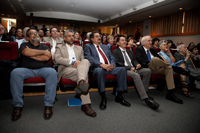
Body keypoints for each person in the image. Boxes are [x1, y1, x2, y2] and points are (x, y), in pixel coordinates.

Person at [10, 28, 57, 121]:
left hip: (43, 69)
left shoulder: (44, 46)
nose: (35, 34)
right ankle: (17, 106)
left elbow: (46, 58)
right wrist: (41, 53)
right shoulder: (24, 45)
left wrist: (31, 54)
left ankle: (48, 105)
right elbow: (26, 52)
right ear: (27, 37)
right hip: (26, 69)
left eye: (36, 33)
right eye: (32, 33)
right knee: (15, 72)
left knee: (53, 72)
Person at [55, 30, 96, 117]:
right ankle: (85, 104)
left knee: (85, 61)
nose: (71, 37)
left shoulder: (79, 48)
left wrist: (78, 63)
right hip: (66, 68)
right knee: (83, 75)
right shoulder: (59, 47)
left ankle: (81, 83)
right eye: (69, 36)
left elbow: (82, 61)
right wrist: (72, 62)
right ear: (64, 38)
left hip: (78, 69)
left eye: (72, 36)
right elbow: (57, 59)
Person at [84, 31, 131, 109]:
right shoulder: (88, 46)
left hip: (110, 67)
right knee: (100, 71)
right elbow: (89, 57)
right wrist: (102, 65)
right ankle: (103, 97)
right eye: (97, 36)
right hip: (98, 68)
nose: (99, 37)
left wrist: (112, 65)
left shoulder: (105, 46)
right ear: (92, 39)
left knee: (122, 69)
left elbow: (112, 57)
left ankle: (119, 96)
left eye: (100, 36)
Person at [113, 36, 159, 110]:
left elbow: (134, 60)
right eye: (122, 40)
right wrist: (129, 68)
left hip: (134, 68)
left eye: (125, 40)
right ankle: (146, 99)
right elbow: (117, 63)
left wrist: (137, 64)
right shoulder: (115, 51)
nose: (124, 41)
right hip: (124, 70)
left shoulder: (129, 51)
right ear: (117, 43)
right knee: (136, 75)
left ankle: (144, 91)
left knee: (147, 71)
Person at [135, 35, 185, 104]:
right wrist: (152, 62)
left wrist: (160, 64)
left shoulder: (153, 50)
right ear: (143, 42)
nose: (150, 42)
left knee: (168, 69)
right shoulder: (139, 49)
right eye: (148, 41)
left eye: (151, 41)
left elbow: (161, 59)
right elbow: (140, 59)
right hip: (147, 67)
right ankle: (175, 68)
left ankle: (170, 94)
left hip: (157, 68)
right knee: (155, 59)